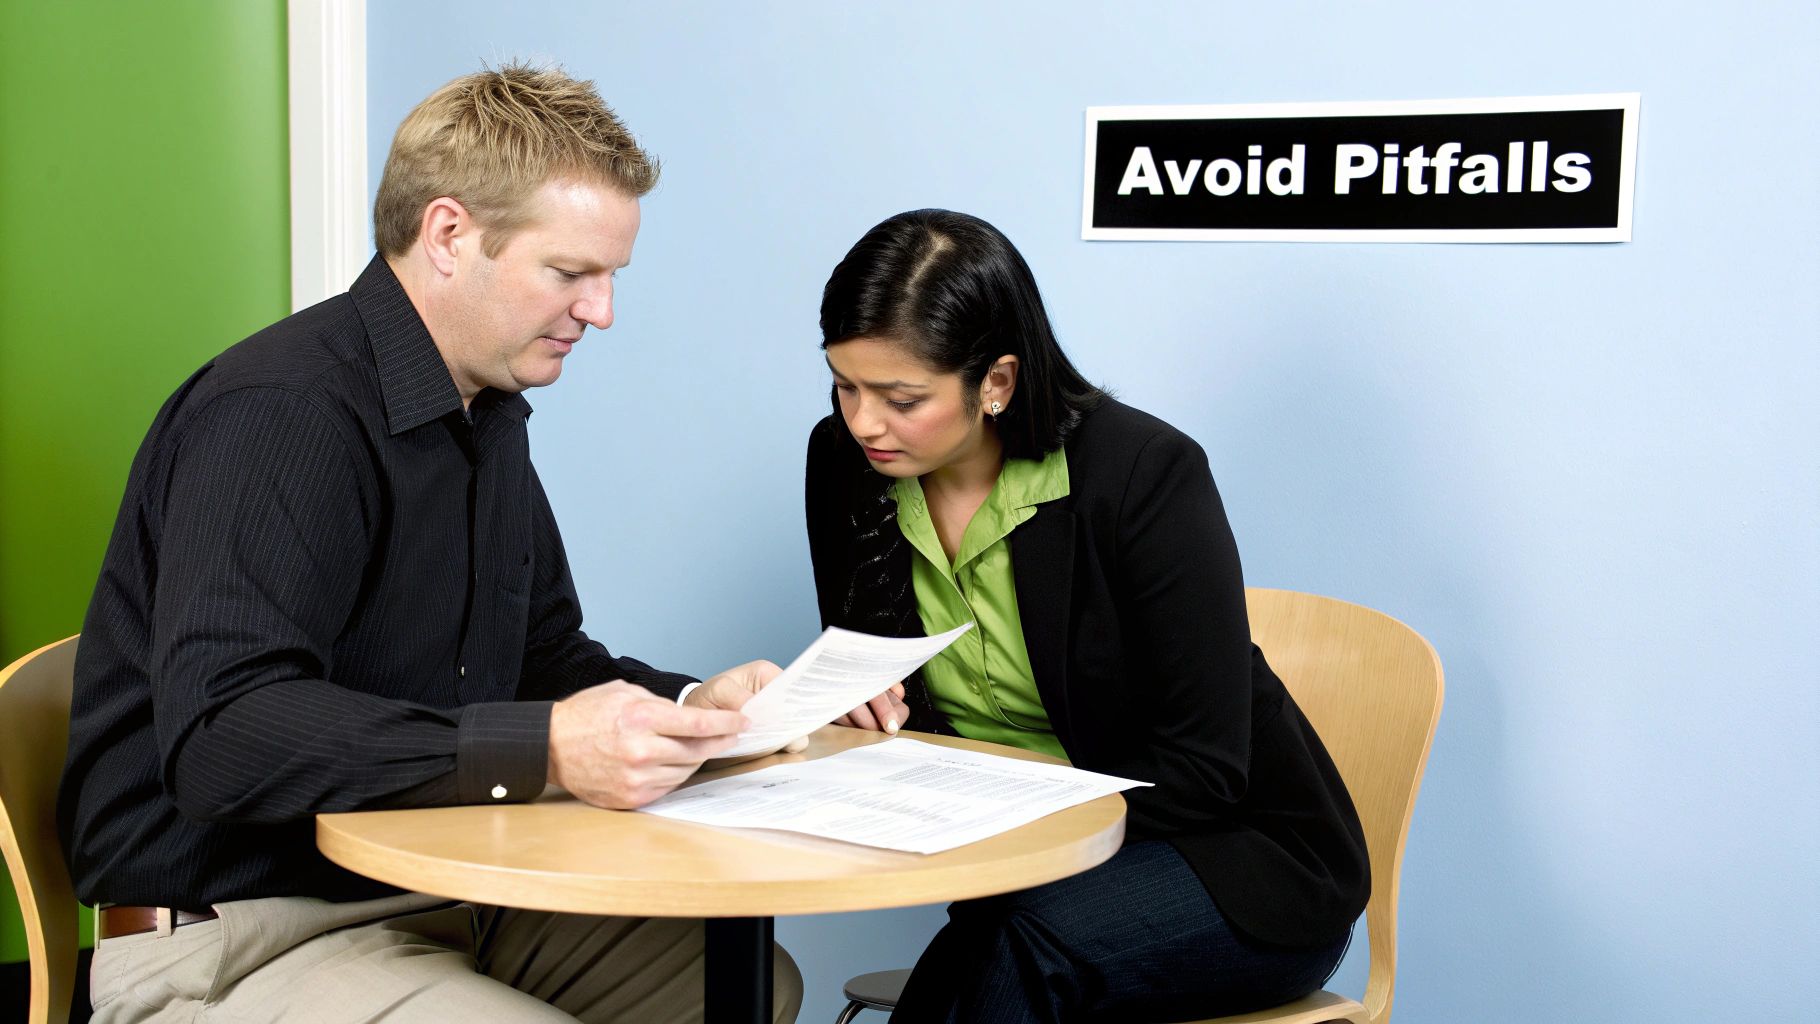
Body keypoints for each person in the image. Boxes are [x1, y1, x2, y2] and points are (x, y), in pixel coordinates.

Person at [58, 63, 802, 1023]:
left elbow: (540, 656)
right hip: (233, 937)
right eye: (570, 273)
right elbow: (222, 735)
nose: (601, 310)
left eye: (611, 276)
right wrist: (546, 747)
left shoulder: (486, 411)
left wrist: (697, 709)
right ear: (449, 234)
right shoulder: (280, 413)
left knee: (745, 986)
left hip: (435, 898)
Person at [804, 209, 1370, 1023]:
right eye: (844, 385)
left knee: (1010, 954)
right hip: (1030, 883)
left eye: (902, 398)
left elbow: (1206, 772)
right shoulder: (845, 464)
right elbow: (876, 681)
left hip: (1238, 866)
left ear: (997, 382)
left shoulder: (1143, 475)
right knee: (993, 956)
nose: (863, 422)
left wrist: (1006, 817)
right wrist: (856, 702)